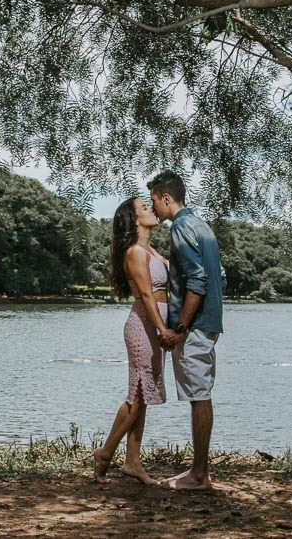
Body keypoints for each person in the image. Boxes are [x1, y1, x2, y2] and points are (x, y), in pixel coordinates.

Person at [148, 170, 225, 491]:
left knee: (199, 395)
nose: (153, 209)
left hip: (193, 325)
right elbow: (220, 275)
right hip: (209, 322)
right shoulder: (202, 225)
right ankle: (199, 471)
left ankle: (199, 475)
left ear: (167, 198)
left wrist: (179, 328)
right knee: (200, 393)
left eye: (154, 201)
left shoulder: (180, 227)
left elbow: (198, 281)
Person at [93, 197, 174, 485]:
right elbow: (146, 296)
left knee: (143, 398)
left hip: (152, 325)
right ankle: (105, 453)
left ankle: (132, 462)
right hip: (144, 327)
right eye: (144, 208)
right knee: (138, 396)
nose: (151, 209)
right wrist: (163, 329)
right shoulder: (135, 252)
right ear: (134, 220)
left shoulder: (150, 249)